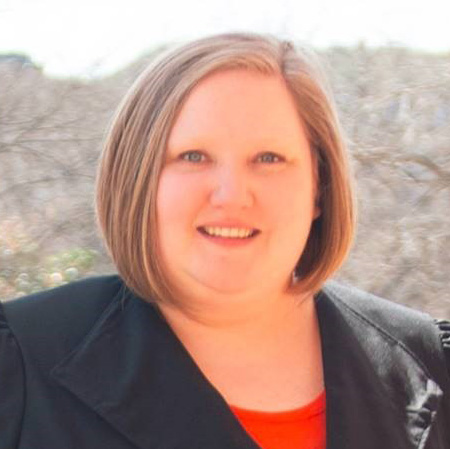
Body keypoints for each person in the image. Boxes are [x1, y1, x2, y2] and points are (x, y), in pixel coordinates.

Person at [1, 32, 449, 449]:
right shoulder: (21, 366)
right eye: (193, 157)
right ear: (136, 182)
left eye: (269, 158)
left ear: (320, 187)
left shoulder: (430, 365)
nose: (232, 194)